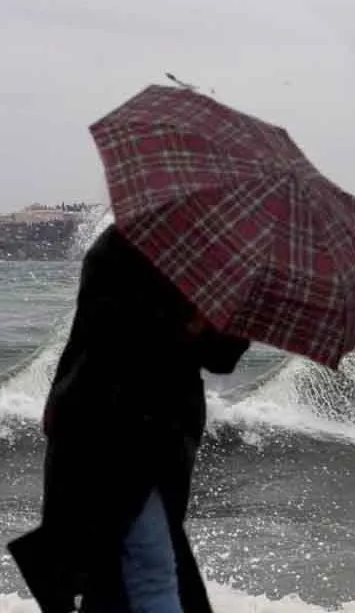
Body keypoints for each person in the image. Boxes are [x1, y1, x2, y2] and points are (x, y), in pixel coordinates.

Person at [7, 224, 251, 613]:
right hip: (109, 428)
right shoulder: (123, 243)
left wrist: (220, 319)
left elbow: (221, 357)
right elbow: (111, 333)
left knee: (120, 573)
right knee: (150, 568)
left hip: (166, 435)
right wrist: (186, 320)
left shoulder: (217, 263)